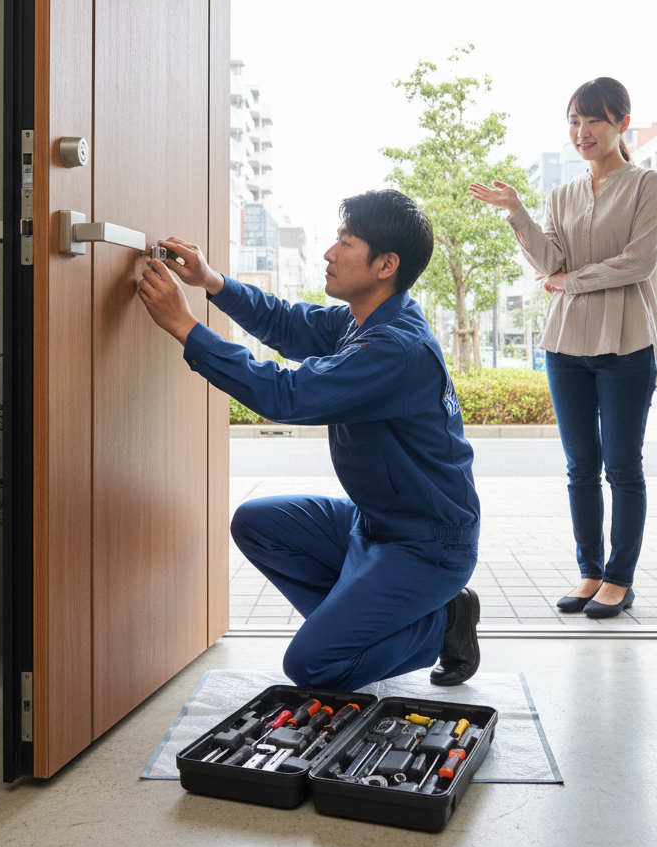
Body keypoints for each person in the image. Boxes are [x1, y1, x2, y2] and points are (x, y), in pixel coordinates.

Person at [136, 189, 482, 688]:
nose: (329, 253)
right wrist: (211, 281)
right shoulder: (364, 321)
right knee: (257, 523)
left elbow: (286, 395)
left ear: (386, 265)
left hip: (428, 543)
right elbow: (286, 322)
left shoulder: (395, 349)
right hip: (376, 524)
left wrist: (185, 326)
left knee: (312, 667)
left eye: (345, 242)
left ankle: (442, 624)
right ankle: (360, 625)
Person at [470, 77, 657, 618]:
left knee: (623, 467)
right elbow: (548, 264)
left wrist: (570, 281)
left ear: (622, 123)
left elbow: (639, 262)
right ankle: (589, 571)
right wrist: (517, 212)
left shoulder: (647, 185)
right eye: (574, 122)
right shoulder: (561, 194)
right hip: (565, 344)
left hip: (626, 343)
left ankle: (619, 579)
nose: (582, 132)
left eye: (594, 120)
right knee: (581, 467)